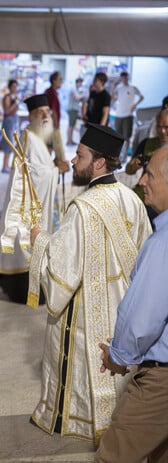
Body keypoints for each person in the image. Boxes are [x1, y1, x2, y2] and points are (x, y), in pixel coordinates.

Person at [28, 123, 152, 444]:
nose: (71, 160)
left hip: (85, 313)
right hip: (121, 310)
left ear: (99, 163)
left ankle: (76, 419)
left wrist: (40, 240)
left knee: (82, 361)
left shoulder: (82, 209)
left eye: (80, 155)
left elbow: (61, 272)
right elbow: (145, 256)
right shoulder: (131, 199)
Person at [95, 144, 168, 463]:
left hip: (161, 383)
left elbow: (143, 318)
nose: (142, 181)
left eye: (150, 174)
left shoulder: (163, 244)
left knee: (114, 456)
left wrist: (118, 356)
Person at [0, 94, 70, 304]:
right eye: (40, 113)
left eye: (47, 112)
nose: (45, 116)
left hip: (33, 205)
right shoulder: (28, 138)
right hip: (25, 206)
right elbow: (33, 174)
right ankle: (23, 292)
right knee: (26, 247)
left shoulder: (39, 139)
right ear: (31, 117)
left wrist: (54, 165)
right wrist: (56, 169)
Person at [125, 108, 168, 225]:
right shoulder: (147, 143)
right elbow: (128, 170)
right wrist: (133, 166)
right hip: (141, 196)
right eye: (159, 127)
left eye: (166, 127)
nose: (162, 131)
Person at [111, 71, 144, 160]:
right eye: (123, 78)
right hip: (118, 115)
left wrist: (135, 104)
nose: (124, 79)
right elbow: (113, 99)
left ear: (128, 78)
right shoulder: (118, 88)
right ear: (121, 78)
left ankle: (125, 155)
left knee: (127, 137)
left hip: (128, 115)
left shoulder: (133, 87)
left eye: (126, 78)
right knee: (118, 136)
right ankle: (118, 154)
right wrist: (112, 89)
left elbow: (142, 96)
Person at [1, 79, 20, 173]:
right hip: (8, 120)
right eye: (13, 86)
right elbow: (7, 111)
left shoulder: (15, 96)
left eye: (16, 86)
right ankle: (5, 165)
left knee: (14, 143)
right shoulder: (7, 97)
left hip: (14, 120)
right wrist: (15, 104)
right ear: (9, 87)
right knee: (8, 143)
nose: (15, 88)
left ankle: (9, 165)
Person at [66, 77, 86, 146]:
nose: (81, 84)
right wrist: (84, 95)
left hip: (74, 110)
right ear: (77, 82)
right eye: (80, 83)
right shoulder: (73, 89)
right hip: (72, 109)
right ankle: (69, 141)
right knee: (71, 126)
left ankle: (71, 140)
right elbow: (77, 98)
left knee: (72, 125)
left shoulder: (77, 90)